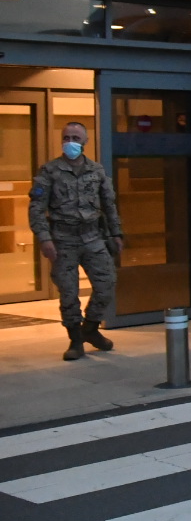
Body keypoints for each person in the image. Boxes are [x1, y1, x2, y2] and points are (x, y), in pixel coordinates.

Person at [29, 121, 122, 361]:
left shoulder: (97, 170)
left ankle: (90, 329)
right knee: (69, 292)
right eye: (67, 137)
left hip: (93, 237)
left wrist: (116, 234)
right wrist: (44, 239)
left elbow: (109, 205)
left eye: (76, 138)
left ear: (85, 142)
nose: (71, 142)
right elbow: (36, 208)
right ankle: (75, 339)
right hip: (63, 239)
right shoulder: (49, 171)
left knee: (106, 284)